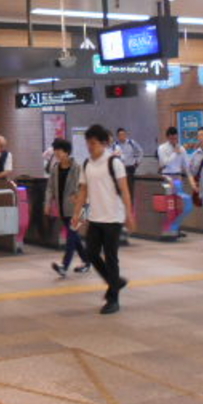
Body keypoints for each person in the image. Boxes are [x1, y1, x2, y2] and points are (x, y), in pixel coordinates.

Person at [72, 125, 136, 315]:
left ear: (103, 143)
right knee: (91, 253)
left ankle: (113, 299)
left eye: (93, 143)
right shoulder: (87, 164)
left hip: (113, 217)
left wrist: (128, 215)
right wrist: (78, 216)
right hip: (95, 217)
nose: (90, 147)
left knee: (111, 258)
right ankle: (115, 282)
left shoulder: (113, 162)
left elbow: (124, 190)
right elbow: (83, 191)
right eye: (88, 143)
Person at [47, 139, 90, 278]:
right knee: (74, 237)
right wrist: (47, 203)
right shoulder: (55, 168)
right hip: (63, 209)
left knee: (71, 237)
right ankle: (87, 261)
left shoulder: (77, 168)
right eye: (55, 151)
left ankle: (64, 266)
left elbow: (84, 186)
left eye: (59, 150)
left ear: (66, 152)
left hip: (77, 208)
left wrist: (78, 197)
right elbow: (50, 188)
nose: (57, 153)